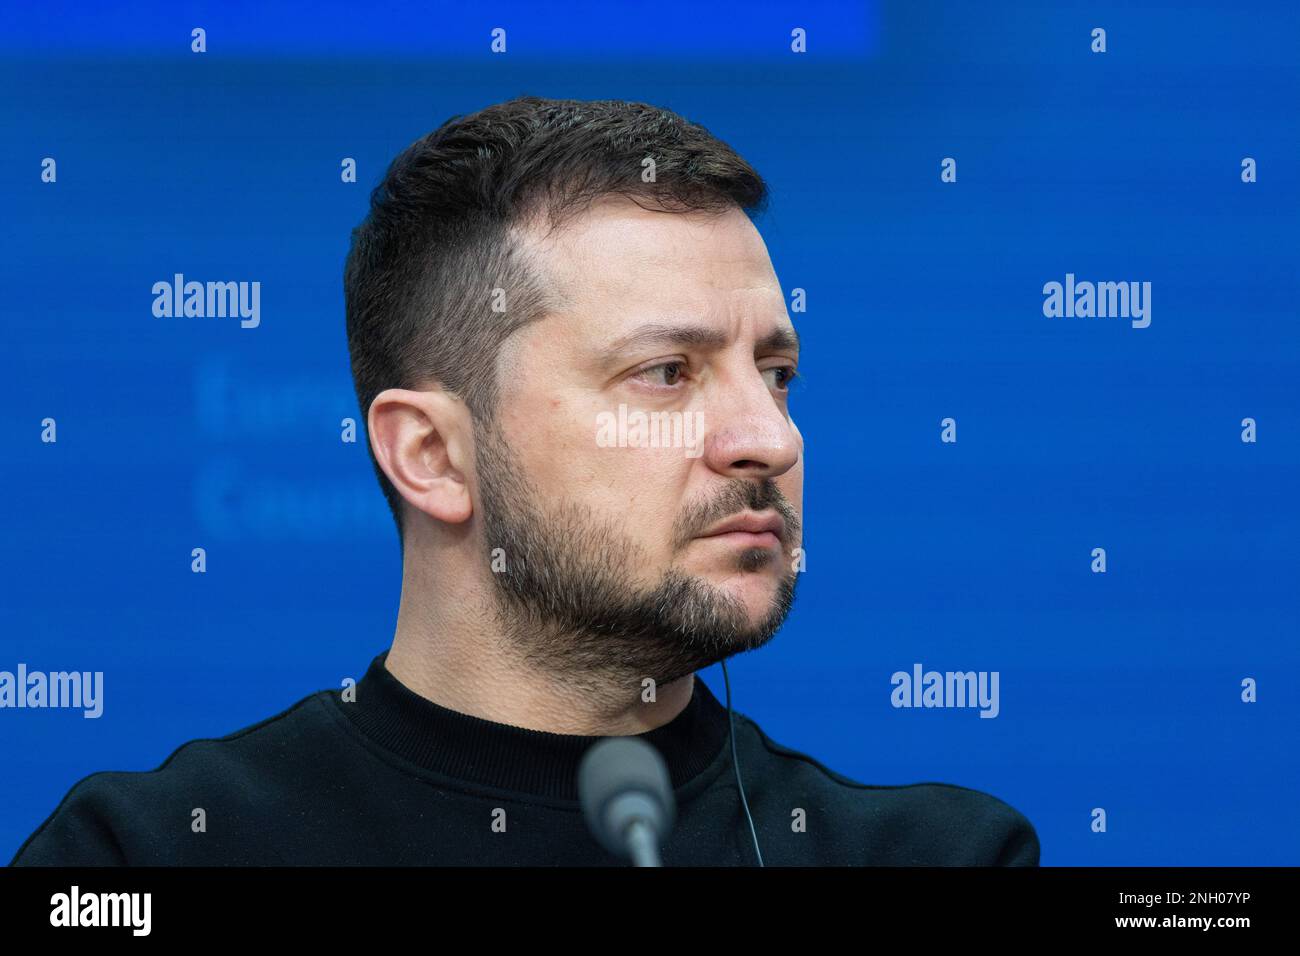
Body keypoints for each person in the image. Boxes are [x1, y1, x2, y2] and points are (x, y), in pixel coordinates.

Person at [11, 96, 1038, 866]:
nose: (766, 435)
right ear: (430, 453)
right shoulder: (145, 857)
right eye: (666, 371)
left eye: (776, 373)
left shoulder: (939, 857)